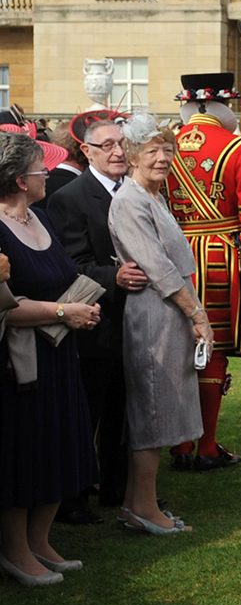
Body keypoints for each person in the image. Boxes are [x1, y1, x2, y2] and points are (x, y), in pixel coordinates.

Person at [0, 126, 101, 586]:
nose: (47, 174)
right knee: (26, 453)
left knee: (60, 444)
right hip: (21, 363)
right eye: (41, 168)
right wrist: (66, 309)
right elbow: (7, 306)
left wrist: (81, 305)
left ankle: (40, 542)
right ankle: (16, 551)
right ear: (21, 179)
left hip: (60, 352)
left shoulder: (40, 217)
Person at [108, 113, 210, 535]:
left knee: (161, 408)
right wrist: (196, 313)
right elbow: (157, 269)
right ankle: (145, 509)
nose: (162, 157)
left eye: (167, 149)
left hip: (167, 311)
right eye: (152, 150)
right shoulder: (129, 201)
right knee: (152, 412)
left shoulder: (153, 196)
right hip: (153, 314)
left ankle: (137, 503)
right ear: (132, 155)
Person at [47, 111, 148, 515]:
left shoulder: (137, 190)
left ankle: (117, 487)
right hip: (96, 319)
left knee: (125, 407)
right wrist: (115, 276)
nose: (118, 151)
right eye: (107, 145)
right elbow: (70, 263)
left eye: (122, 143)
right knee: (88, 409)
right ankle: (73, 495)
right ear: (86, 151)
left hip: (138, 318)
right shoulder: (69, 197)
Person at [165, 73, 241, 471]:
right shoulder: (238, 147)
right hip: (218, 257)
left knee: (178, 348)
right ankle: (205, 444)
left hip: (173, 255)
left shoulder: (165, 145)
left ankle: (179, 445)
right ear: (223, 105)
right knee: (213, 349)